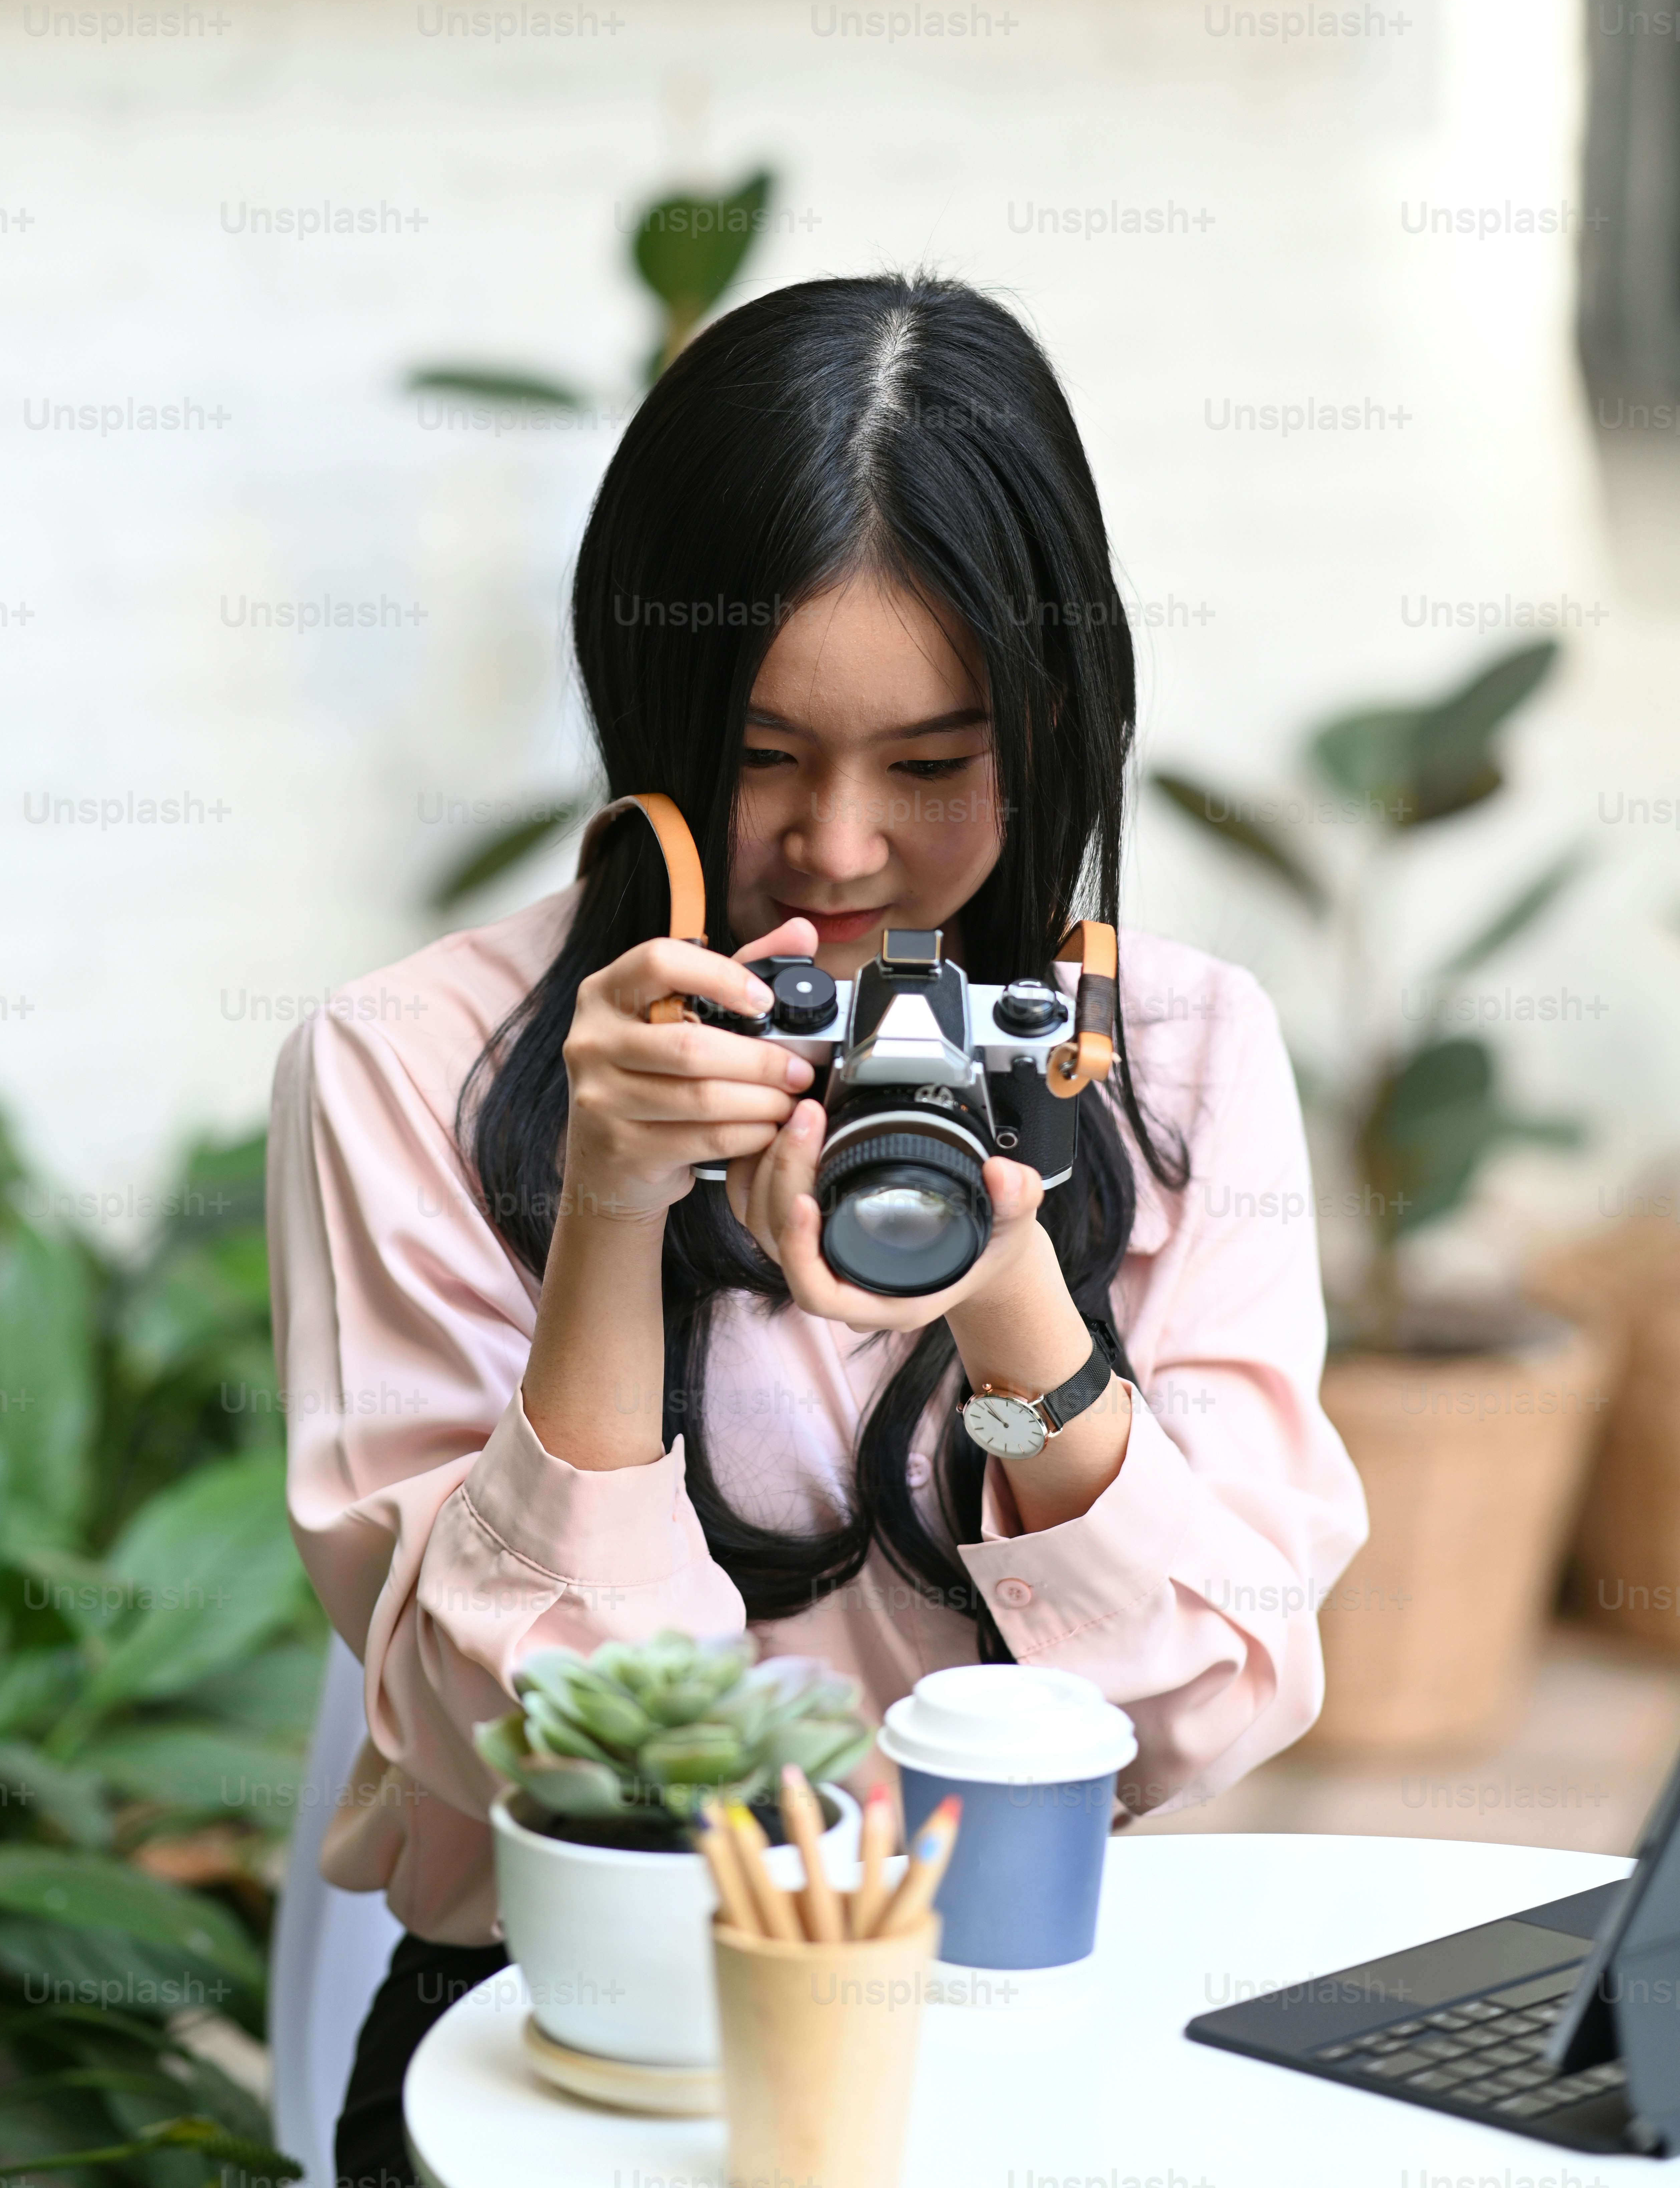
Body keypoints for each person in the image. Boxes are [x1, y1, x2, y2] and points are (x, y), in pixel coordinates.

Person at [268, 274, 1367, 2187]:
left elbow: (1207, 1700)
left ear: (1057, 730)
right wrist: (612, 1212)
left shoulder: (1174, 1052)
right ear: (649, 703)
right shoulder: (411, 1062)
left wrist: (1014, 1292)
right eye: (763, 754)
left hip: (1020, 2037)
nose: (841, 848)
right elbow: (516, 1744)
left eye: (933, 767)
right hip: (573, 2053)